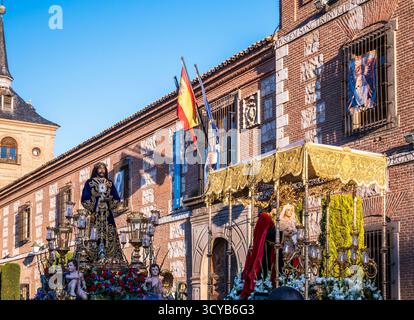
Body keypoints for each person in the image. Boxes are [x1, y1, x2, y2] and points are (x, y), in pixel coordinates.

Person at [80, 162, 125, 264]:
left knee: (110, 235)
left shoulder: (109, 183)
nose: (102, 171)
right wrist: (95, 199)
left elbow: (116, 199)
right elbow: (84, 198)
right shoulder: (90, 182)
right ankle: (91, 258)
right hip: (95, 215)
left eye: (103, 169)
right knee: (92, 235)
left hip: (107, 215)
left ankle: (112, 258)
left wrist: (109, 200)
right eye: (99, 169)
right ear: (96, 170)